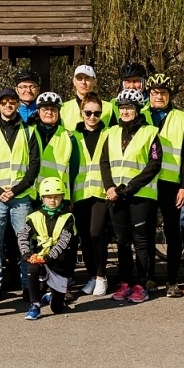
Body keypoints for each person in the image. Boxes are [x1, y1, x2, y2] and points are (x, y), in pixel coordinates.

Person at [0, 87, 41, 297]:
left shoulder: (30, 131)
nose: (8, 105)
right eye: (4, 102)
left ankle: (26, 285)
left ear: (17, 104)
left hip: (21, 197)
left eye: (12, 101)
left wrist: (14, 190)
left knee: (25, 243)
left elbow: (34, 166)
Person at [101, 89, 162, 303]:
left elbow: (154, 164)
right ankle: (126, 281)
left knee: (142, 242)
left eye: (130, 107)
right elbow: (104, 162)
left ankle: (141, 284)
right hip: (116, 196)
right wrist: (109, 186)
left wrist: (132, 186)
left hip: (140, 196)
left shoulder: (150, 132)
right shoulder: (110, 132)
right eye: (122, 107)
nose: (125, 111)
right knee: (122, 242)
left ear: (137, 109)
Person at [145, 74, 184, 295]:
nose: (158, 97)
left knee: (173, 232)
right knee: (145, 232)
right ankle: (148, 277)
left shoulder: (182, 117)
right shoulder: (141, 114)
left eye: (163, 93)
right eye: (154, 93)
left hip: (170, 183)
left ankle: (172, 280)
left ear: (169, 95)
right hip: (145, 183)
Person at [72, 96, 113, 296]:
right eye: (88, 112)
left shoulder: (109, 133)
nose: (92, 117)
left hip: (101, 192)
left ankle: (101, 276)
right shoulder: (73, 135)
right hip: (80, 193)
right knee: (85, 237)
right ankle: (91, 276)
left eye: (97, 113)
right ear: (81, 113)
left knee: (97, 234)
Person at [22, 177, 76, 319]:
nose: (52, 200)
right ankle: (35, 306)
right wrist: (27, 253)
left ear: (62, 197)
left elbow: (63, 242)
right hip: (42, 261)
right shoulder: (34, 216)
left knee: (57, 309)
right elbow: (22, 235)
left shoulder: (68, 217)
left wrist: (47, 257)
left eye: (56, 197)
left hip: (60, 264)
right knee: (32, 268)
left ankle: (51, 296)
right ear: (42, 198)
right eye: (48, 197)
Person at [60, 65, 114, 131]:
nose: (83, 82)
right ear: (74, 81)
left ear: (95, 81)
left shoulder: (109, 108)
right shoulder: (63, 109)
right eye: (79, 78)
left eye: (87, 78)